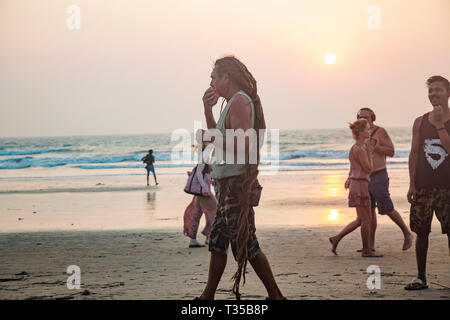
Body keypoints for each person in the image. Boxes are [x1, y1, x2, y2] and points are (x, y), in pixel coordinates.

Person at [196, 56, 285, 300]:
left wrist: (209, 137)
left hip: (236, 183)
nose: (211, 82)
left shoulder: (239, 101)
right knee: (217, 241)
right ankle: (207, 296)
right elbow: (222, 139)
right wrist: (207, 111)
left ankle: (276, 296)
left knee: (245, 242)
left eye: (214, 77)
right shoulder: (230, 103)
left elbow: (245, 143)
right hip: (227, 181)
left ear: (227, 77)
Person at [405, 75, 450, 290]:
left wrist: (441, 125)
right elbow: (414, 154)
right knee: (421, 231)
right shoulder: (420, 121)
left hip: (447, 187)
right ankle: (421, 277)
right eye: (430, 90)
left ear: (448, 93)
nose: (433, 94)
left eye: (438, 90)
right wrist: (412, 184)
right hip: (422, 186)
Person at [356, 108, 413, 252]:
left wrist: (376, 146)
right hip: (365, 177)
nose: (363, 120)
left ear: (373, 118)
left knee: (386, 207)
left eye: (366, 117)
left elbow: (391, 152)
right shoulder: (361, 134)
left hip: (379, 175)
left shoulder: (380, 132)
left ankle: (407, 233)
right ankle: (370, 244)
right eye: (360, 117)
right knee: (369, 211)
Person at [329, 118, 383, 257]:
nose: (369, 131)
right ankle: (366, 251)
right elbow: (368, 168)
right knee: (366, 219)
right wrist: (370, 152)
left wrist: (349, 178)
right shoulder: (360, 149)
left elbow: (353, 167)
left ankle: (336, 238)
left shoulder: (357, 148)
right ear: (360, 132)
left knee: (360, 219)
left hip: (358, 182)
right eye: (367, 129)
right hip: (360, 184)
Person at [183, 142, 217, 248]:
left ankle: (193, 240)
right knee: (214, 213)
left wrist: (210, 181)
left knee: (196, 215)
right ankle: (210, 237)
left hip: (199, 194)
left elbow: (203, 174)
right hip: (204, 193)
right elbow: (199, 174)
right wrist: (205, 187)